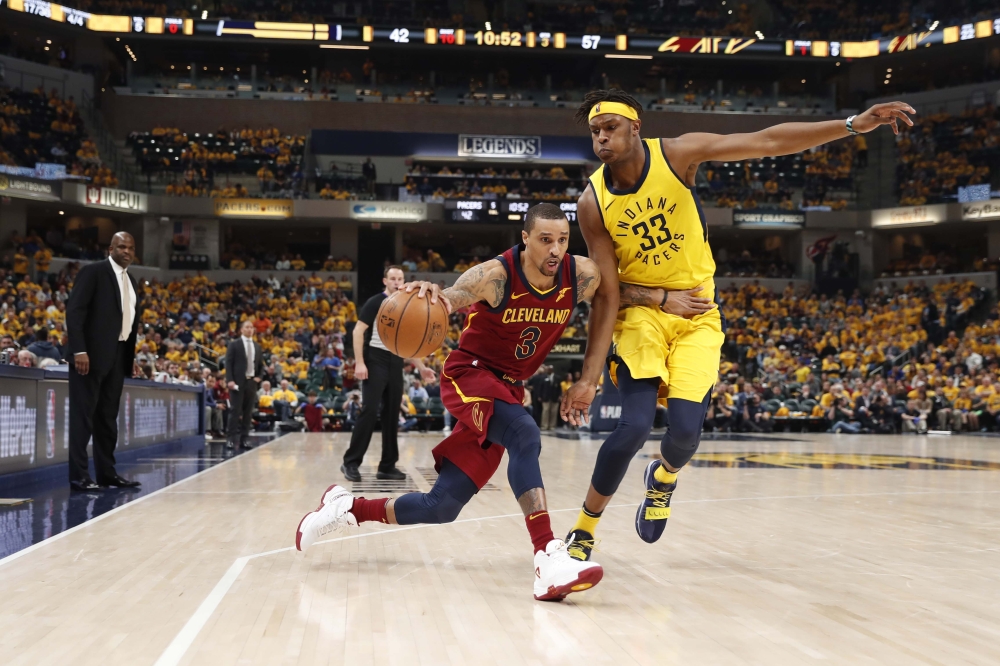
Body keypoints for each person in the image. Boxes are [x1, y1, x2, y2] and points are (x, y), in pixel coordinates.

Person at [559, 89, 916, 560]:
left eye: (610, 128)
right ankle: (584, 529)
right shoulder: (592, 202)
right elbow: (607, 291)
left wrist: (851, 124)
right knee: (632, 427)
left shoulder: (679, 154)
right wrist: (588, 377)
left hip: (698, 314)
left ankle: (662, 476)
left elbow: (766, 141)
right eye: (595, 131)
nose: (601, 138)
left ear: (635, 128)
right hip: (642, 316)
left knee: (685, 434)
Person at [297, 203, 605, 601]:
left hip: (506, 390)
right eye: (545, 239)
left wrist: (666, 296)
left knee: (440, 506)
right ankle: (547, 555)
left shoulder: (579, 275)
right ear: (525, 238)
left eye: (562, 240)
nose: (555, 250)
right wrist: (433, 294)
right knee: (524, 433)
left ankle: (347, 508)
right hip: (470, 374)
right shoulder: (496, 275)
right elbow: (454, 296)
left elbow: (618, 295)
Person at [340, 265, 434, 482]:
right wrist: (360, 363)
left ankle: (387, 466)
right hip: (375, 359)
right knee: (370, 410)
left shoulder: (406, 304)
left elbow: (410, 342)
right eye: (392, 278)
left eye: (400, 278)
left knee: (393, 414)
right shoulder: (375, 302)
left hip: (396, 359)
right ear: (385, 281)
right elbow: (357, 331)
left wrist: (422, 368)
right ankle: (350, 463)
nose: (396, 282)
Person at [66, 232, 141, 491]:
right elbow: (75, 311)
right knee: (83, 417)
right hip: (89, 356)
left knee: (108, 419)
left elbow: (127, 321)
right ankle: (79, 477)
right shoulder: (94, 272)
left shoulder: (131, 280)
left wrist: (129, 357)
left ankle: (107, 474)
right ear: (111, 248)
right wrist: (79, 351)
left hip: (117, 356)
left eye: (131, 248)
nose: (127, 252)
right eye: (121, 247)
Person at [225, 319, 263, 450]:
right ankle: (230, 439)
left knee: (248, 413)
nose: (250, 329)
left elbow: (261, 366)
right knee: (235, 411)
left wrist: (259, 377)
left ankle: (244, 439)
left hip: (251, 382)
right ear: (241, 330)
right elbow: (228, 363)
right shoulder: (234, 344)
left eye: (251, 327)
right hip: (237, 382)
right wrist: (229, 380)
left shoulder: (257, 346)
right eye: (247, 327)